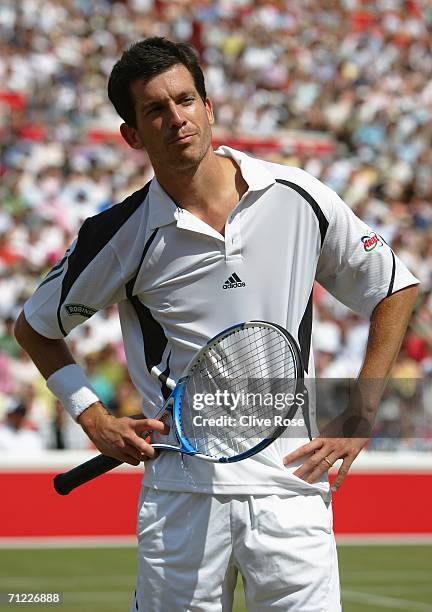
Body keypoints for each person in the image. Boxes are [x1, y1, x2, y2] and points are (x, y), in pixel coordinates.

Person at [14, 37, 419, 611]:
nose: (176, 118)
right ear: (132, 135)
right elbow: (34, 327)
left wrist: (362, 408)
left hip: (292, 485)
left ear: (209, 108)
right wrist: (93, 416)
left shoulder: (298, 195)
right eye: (155, 109)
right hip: (181, 495)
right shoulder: (118, 232)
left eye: (185, 100)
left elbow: (395, 285)